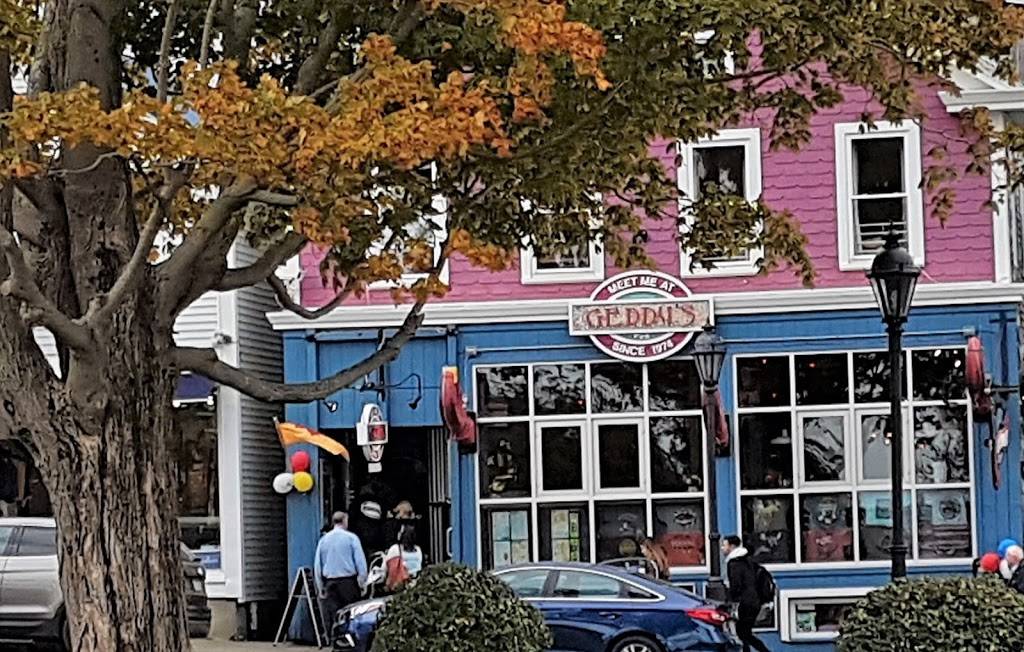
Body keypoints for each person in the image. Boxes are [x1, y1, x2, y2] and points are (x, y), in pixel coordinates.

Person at [314, 512, 368, 640]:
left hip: (330, 583)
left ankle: (335, 641)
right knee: (350, 615)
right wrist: (362, 582)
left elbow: (317, 565)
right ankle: (350, 640)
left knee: (334, 616)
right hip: (348, 583)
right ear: (344, 521)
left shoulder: (323, 540)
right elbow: (360, 562)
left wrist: (320, 587)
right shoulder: (352, 538)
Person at [722, 536, 771, 652]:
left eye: (724, 545)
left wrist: (730, 600)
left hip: (744, 603)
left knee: (743, 633)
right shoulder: (749, 561)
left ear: (732, 546)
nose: (722, 548)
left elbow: (736, 585)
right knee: (744, 632)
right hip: (754, 602)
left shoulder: (734, 563)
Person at [384, 525, 423, 591]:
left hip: (401, 583)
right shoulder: (418, 550)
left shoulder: (395, 549)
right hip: (415, 582)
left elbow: (386, 567)